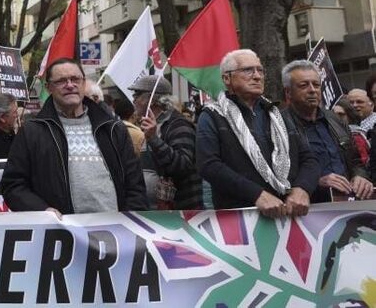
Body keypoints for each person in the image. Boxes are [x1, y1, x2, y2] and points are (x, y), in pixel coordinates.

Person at [2, 58, 147, 216]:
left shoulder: (113, 129)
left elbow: (135, 185)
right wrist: (43, 211)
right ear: (48, 87)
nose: (70, 85)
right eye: (61, 81)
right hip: (62, 233)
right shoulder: (32, 132)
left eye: (75, 79)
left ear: (84, 83)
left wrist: (131, 220)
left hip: (114, 231)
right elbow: (13, 186)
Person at [197, 49, 318, 217]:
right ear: (227, 78)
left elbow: (308, 158)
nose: (257, 76)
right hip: (241, 220)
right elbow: (209, 165)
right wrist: (257, 195)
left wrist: (302, 189)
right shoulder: (212, 115)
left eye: (260, 70)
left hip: (290, 216)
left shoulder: (278, 114)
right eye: (248, 70)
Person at [281, 62, 372, 202]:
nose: (312, 90)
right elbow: (278, 175)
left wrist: (360, 177)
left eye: (316, 85)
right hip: (309, 209)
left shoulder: (335, 119)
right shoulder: (279, 125)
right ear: (288, 92)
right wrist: (315, 182)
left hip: (348, 203)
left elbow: (355, 161)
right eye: (304, 85)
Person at [131, 75, 202, 210]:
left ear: (152, 100)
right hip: (155, 212)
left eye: (137, 95)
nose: (133, 100)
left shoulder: (179, 125)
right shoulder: (152, 125)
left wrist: (154, 139)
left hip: (179, 213)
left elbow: (183, 166)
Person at [333, 96, 371, 167]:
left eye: (341, 115)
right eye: (334, 115)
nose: (337, 118)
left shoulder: (355, 136)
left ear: (349, 116)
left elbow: (363, 163)